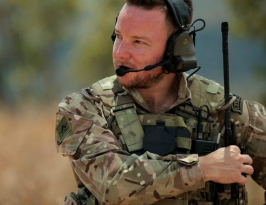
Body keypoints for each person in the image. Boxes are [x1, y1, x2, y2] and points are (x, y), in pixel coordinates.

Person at [55, 0, 266, 204]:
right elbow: (113, 185)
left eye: (138, 42)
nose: (120, 53)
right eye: (118, 36)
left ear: (176, 49)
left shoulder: (225, 110)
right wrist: (203, 168)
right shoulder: (84, 108)